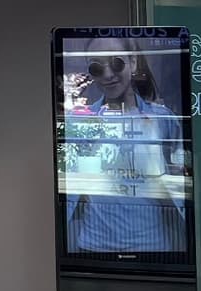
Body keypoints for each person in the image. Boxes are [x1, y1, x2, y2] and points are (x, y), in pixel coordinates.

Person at [65, 36, 187, 255]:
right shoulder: (81, 121)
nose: (107, 75)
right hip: (94, 248)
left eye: (116, 63)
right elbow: (69, 184)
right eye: (96, 68)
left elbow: (180, 177)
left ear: (133, 63)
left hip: (152, 248)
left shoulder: (162, 119)